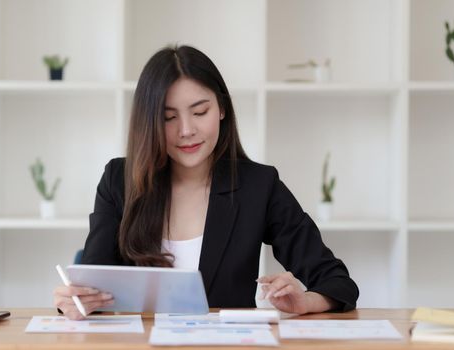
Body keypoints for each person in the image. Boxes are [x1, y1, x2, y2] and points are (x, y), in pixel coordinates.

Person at [54, 45, 359, 320]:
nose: (186, 130)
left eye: (200, 111)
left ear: (222, 109)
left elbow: (338, 282)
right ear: (148, 123)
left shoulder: (259, 185)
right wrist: (74, 301)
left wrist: (305, 301)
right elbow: (89, 286)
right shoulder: (119, 181)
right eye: (168, 118)